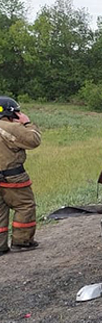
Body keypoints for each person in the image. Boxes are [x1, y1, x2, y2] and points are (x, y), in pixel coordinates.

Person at [0, 96, 41, 255]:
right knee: (25, 206)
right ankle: (22, 242)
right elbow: (33, 140)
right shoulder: (10, 128)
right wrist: (27, 123)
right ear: (12, 113)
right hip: (12, 177)